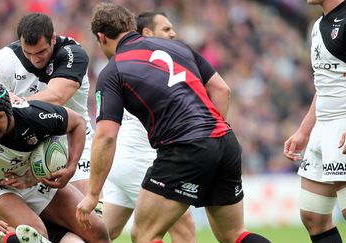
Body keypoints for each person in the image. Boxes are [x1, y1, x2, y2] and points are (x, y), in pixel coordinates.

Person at [76, 2, 271, 243]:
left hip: (184, 148)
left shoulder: (113, 70)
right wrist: (210, 137)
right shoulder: (179, 48)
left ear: (101, 37)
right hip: (224, 141)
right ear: (132, 27)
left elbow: (106, 136)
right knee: (234, 235)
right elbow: (222, 89)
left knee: (145, 234)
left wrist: (93, 194)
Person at [0, 82, 110, 243]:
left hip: (33, 179)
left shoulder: (35, 115)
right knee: (37, 234)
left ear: (10, 111)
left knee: (98, 232)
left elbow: (77, 122)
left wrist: (71, 168)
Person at [101, 10, 196, 243]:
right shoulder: (150, 64)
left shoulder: (128, 63)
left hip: (125, 160)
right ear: (146, 33)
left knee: (102, 233)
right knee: (184, 229)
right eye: (166, 29)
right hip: (140, 158)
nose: (173, 34)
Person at [0, 12, 93, 196]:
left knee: (91, 213)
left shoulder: (73, 53)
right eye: (28, 53)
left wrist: (14, 101)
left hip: (74, 141)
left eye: (41, 52)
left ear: (53, 39)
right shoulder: (4, 61)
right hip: (26, 146)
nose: (35, 59)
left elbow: (56, 97)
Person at [283, 0, 346, 242]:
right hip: (323, 128)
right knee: (313, 217)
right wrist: (304, 131)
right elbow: (324, 84)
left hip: (342, 123)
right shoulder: (318, 25)